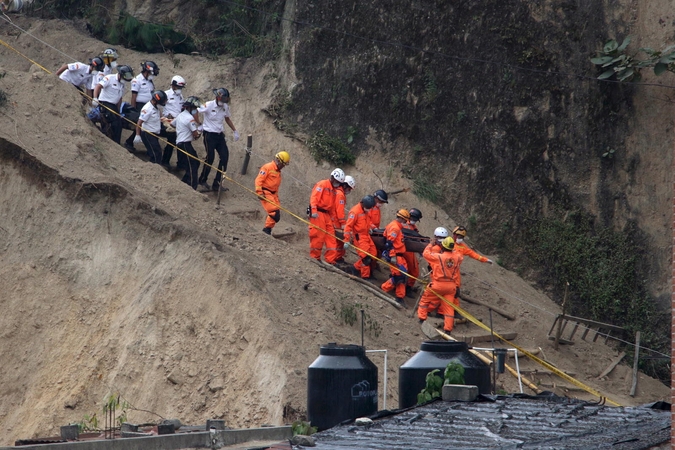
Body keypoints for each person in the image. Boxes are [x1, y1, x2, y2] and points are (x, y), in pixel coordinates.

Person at [197, 88, 240, 192]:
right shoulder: (208, 105)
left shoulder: (225, 107)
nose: (224, 102)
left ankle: (217, 183)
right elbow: (194, 110)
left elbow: (227, 118)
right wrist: (198, 124)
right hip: (209, 135)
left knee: (224, 158)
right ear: (217, 97)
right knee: (210, 158)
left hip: (219, 135)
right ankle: (202, 180)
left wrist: (234, 130)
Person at [417, 237, 463, 334]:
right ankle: (448, 330)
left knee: (425, 300)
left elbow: (426, 254)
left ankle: (421, 319)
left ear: (442, 246)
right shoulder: (458, 257)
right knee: (449, 308)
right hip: (451, 286)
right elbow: (457, 253)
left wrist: (431, 244)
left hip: (438, 284)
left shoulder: (438, 257)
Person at [308, 168, 344, 264]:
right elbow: (314, 198)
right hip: (318, 213)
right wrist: (314, 210)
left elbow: (331, 207)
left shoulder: (334, 190)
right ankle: (314, 257)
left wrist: (332, 220)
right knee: (318, 236)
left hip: (327, 215)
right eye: (337, 181)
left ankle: (330, 260)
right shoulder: (322, 184)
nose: (338, 184)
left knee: (331, 237)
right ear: (332, 178)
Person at [92, 65, 134, 144]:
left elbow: (119, 98)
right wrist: (95, 98)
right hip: (105, 103)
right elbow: (98, 86)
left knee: (119, 123)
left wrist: (118, 111)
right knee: (113, 123)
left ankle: (116, 143)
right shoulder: (109, 78)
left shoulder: (122, 84)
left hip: (114, 106)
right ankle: (109, 141)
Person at [124, 61, 159, 150]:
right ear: (147, 71)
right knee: (141, 124)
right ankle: (130, 142)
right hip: (140, 105)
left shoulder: (150, 81)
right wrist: (133, 109)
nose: (152, 75)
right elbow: (134, 96)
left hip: (149, 105)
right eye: (151, 73)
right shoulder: (137, 80)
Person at [170, 96, 203, 189]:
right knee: (193, 165)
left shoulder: (180, 115)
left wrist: (181, 130)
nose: (196, 110)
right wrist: (200, 132)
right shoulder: (190, 119)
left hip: (180, 143)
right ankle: (192, 186)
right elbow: (195, 134)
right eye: (195, 108)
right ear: (190, 108)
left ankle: (185, 181)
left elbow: (172, 124)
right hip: (185, 144)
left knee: (193, 163)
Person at [451, 226, 493, 298]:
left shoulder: (463, 247)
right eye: (459, 236)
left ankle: (453, 306)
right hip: (444, 267)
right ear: (454, 235)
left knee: (456, 289)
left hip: (455, 270)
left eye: (462, 237)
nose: (460, 239)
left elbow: (474, 254)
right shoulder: (447, 242)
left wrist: (485, 260)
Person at [255, 151, 290, 235]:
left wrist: (276, 197)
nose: (283, 166)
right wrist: (259, 192)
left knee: (276, 216)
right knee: (274, 212)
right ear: (278, 160)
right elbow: (259, 180)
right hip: (265, 192)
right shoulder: (267, 167)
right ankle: (266, 230)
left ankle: (268, 230)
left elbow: (275, 186)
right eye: (283, 164)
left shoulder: (278, 171)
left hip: (273, 194)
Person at [380, 209, 410, 304]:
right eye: (405, 221)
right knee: (399, 277)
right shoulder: (395, 227)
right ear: (402, 219)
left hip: (399, 256)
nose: (406, 223)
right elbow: (389, 243)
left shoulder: (394, 225)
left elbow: (385, 238)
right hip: (396, 256)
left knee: (402, 276)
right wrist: (392, 256)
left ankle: (400, 296)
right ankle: (384, 288)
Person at [343, 195, 377, 279]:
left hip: (366, 235)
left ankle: (355, 268)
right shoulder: (355, 212)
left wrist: (371, 227)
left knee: (373, 254)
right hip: (359, 237)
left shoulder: (366, 211)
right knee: (366, 258)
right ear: (362, 203)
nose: (369, 209)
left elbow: (367, 222)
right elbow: (348, 226)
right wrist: (346, 239)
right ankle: (365, 276)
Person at [134, 90, 167, 164]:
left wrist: (165, 120)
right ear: (155, 101)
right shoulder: (147, 109)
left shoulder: (155, 107)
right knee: (156, 154)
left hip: (154, 133)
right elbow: (139, 122)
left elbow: (160, 115)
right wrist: (137, 135)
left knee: (156, 152)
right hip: (148, 134)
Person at [161, 75, 187, 170]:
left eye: (181, 87)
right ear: (173, 85)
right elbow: (160, 107)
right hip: (167, 121)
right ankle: (165, 161)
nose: (180, 89)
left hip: (177, 122)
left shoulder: (180, 96)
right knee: (172, 139)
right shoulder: (165, 94)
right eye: (178, 87)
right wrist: (166, 116)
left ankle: (181, 164)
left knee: (183, 140)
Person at [334, 175, 355, 262]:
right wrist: (343, 223)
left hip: (334, 219)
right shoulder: (340, 195)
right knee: (339, 241)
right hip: (336, 221)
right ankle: (336, 258)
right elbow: (340, 211)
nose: (349, 191)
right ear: (345, 185)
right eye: (349, 189)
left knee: (338, 241)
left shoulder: (337, 192)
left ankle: (338, 257)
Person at [402, 208, 423, 295]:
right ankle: (402, 288)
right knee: (403, 271)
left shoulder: (413, 227)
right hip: (403, 250)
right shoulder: (403, 225)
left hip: (410, 250)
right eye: (414, 219)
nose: (414, 221)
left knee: (414, 271)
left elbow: (417, 239)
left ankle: (408, 287)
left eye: (415, 220)